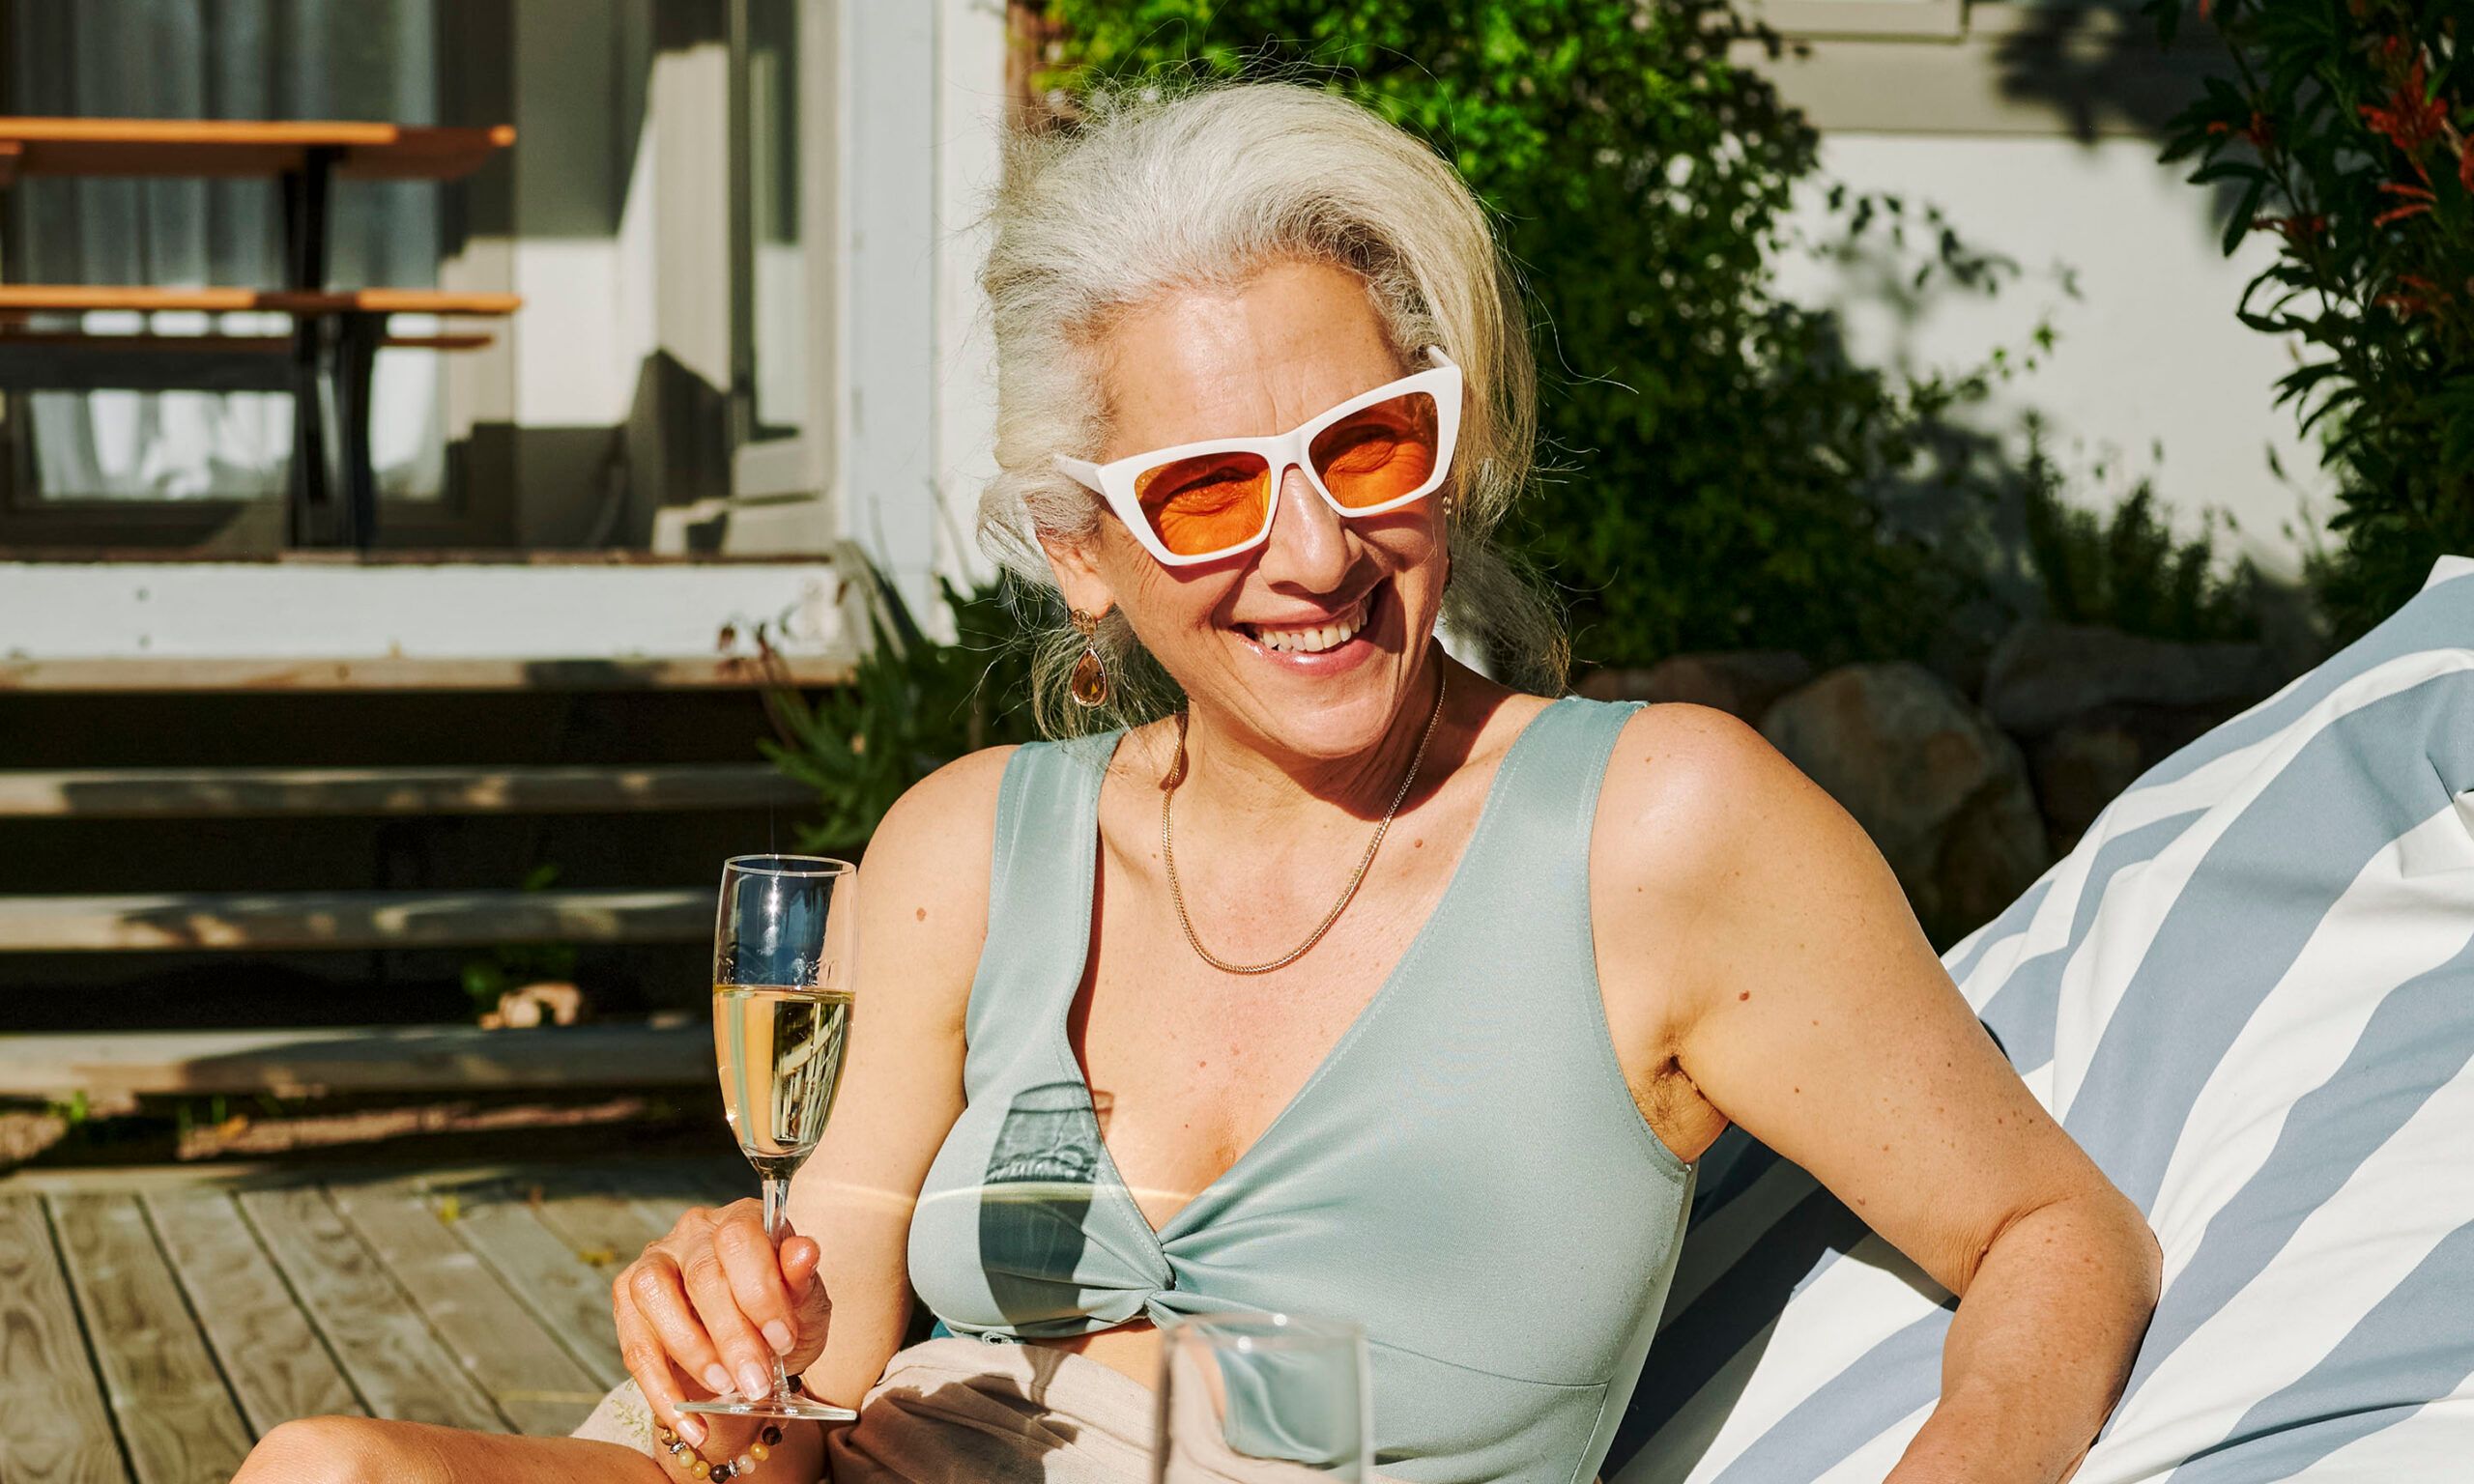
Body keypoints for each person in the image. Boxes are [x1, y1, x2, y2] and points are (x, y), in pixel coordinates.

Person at [228, 78, 2159, 1484]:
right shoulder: (971, 848)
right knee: (322, 1471)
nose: (1310, 555)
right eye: (1213, 489)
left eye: (1366, 449)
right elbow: (804, 1395)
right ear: (1084, 548)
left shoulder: (1655, 831)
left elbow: (2048, 1233)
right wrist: (734, 1349)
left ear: (1447, 445)